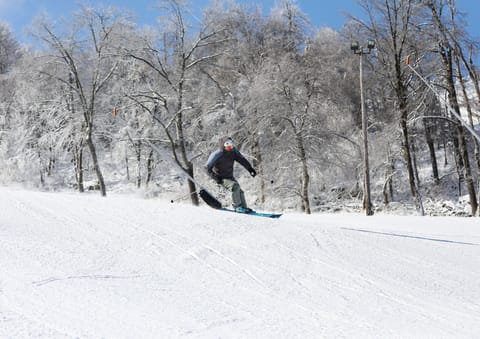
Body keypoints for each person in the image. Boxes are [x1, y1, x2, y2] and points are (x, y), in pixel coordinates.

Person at [206, 137, 257, 213]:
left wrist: (250, 169)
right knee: (235, 187)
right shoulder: (217, 154)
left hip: (230, 177)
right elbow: (206, 168)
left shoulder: (233, 152)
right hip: (221, 178)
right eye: (227, 144)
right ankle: (237, 207)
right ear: (223, 145)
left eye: (231, 144)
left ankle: (243, 207)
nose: (229, 146)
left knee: (239, 191)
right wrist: (216, 178)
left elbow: (242, 160)